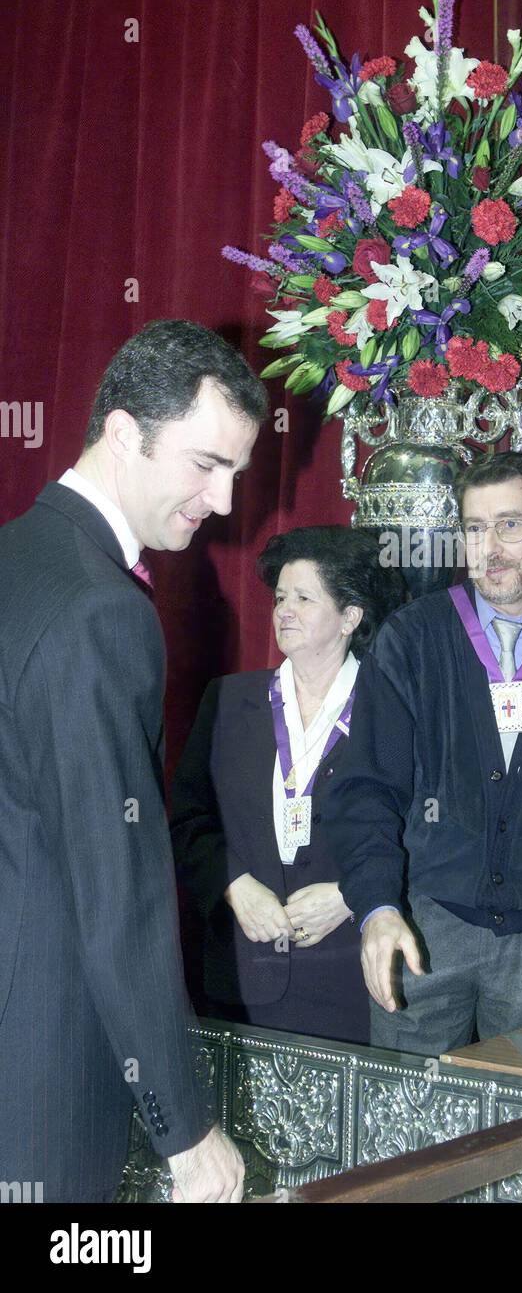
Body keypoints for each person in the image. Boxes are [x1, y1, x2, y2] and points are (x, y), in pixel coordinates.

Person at [0, 319, 267, 1203]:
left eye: (236, 472)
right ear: (123, 432)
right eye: (206, 465)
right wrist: (185, 1129)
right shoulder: (98, 609)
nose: (224, 501)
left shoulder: (18, 557)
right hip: (42, 1062)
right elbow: (117, 888)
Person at [322, 451, 522, 1056]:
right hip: (426, 931)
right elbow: (367, 786)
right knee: (401, 1123)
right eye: (475, 529)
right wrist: (377, 905)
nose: (492, 547)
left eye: (511, 524)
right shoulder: (413, 638)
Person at [171, 526, 407, 1046]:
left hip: (351, 978)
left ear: (350, 617)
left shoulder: (392, 708)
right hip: (239, 978)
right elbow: (187, 821)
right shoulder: (229, 701)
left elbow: (423, 832)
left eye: (304, 597)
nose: (284, 611)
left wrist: (353, 898)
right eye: (280, 597)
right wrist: (234, 885)